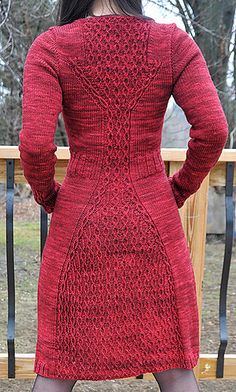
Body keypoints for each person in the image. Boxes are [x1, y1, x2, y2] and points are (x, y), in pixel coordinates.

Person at [18, 0, 228, 391]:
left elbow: (33, 146)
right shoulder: (172, 43)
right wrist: (178, 189)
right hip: (154, 221)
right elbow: (214, 129)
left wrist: (50, 198)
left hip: (78, 223)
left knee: (57, 367)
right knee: (176, 366)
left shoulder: (51, 47)